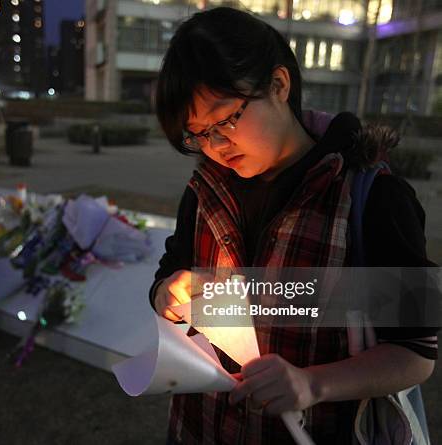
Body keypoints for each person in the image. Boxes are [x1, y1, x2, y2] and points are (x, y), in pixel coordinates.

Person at [150, 7, 438, 444]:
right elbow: (168, 271)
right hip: (199, 426)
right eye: (199, 134)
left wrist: (311, 383)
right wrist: (167, 293)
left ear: (279, 85)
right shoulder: (206, 189)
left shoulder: (370, 195)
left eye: (226, 119)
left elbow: (416, 352)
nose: (216, 146)